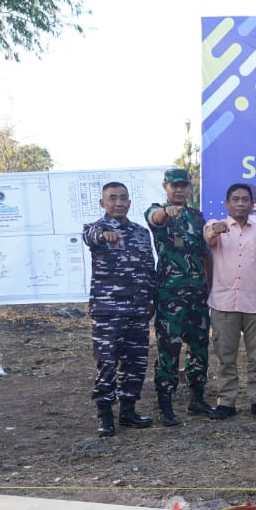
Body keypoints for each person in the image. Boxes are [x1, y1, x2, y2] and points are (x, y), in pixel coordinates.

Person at [82, 182, 156, 437]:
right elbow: (88, 236)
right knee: (107, 363)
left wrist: (151, 299)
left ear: (129, 203)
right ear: (103, 203)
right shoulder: (96, 229)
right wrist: (104, 235)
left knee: (135, 362)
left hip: (137, 309)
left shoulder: (141, 233)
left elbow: (149, 268)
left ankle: (128, 411)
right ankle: (104, 413)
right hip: (107, 311)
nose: (118, 203)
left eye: (123, 198)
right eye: (112, 198)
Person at [203, 183, 256, 419]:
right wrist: (217, 229)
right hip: (223, 303)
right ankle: (226, 402)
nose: (239, 203)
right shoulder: (216, 227)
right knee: (226, 357)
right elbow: (209, 237)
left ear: (251, 204)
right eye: (235, 199)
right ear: (227, 204)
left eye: (244, 200)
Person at [147, 168, 214, 425]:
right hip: (169, 296)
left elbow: (205, 253)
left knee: (199, 348)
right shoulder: (157, 211)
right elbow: (154, 218)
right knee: (169, 349)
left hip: (197, 294)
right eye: (174, 185)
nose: (179, 190)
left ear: (189, 187)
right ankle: (165, 404)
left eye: (183, 185)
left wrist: (211, 285)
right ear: (165, 186)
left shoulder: (197, 217)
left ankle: (197, 399)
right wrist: (166, 212)